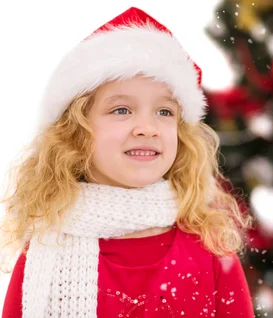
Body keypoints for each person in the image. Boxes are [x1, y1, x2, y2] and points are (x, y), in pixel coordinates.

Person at [0, 6, 255, 318]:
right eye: (121, 110)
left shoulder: (210, 251)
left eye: (164, 112)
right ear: (76, 134)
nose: (147, 127)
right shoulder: (44, 255)